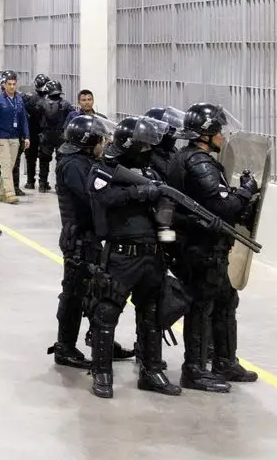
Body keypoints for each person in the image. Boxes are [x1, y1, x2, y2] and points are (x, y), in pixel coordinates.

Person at [86, 117, 181, 399]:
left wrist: (170, 246)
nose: (148, 149)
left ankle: (151, 370)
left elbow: (167, 210)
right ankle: (102, 372)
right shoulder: (106, 168)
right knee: (106, 313)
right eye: (144, 145)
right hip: (121, 255)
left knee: (153, 315)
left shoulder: (150, 169)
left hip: (152, 255)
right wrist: (139, 192)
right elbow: (101, 195)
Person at [172, 103, 261, 391]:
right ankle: (195, 369)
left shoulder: (184, 158)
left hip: (202, 247)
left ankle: (224, 361)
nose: (222, 136)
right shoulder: (199, 163)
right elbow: (223, 206)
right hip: (201, 250)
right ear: (206, 133)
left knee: (225, 301)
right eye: (218, 131)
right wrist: (246, 192)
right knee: (201, 307)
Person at [48, 112, 114, 369]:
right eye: (100, 140)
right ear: (88, 141)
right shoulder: (75, 165)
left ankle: (94, 337)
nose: (103, 144)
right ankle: (65, 347)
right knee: (74, 294)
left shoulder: (82, 160)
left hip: (87, 236)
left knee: (92, 292)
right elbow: (92, 196)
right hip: (79, 239)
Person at [0, 76, 30, 205]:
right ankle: (10, 194)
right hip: (1, 137)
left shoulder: (19, 99)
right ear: (4, 85)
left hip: (15, 138)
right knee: (5, 165)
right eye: (9, 84)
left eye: (14, 84)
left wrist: (26, 136)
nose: (12, 86)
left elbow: (23, 120)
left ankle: (1, 194)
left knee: (9, 167)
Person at [25, 76, 70, 192]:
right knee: (60, 161)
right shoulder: (66, 104)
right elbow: (71, 118)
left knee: (43, 161)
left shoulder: (40, 103)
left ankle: (42, 184)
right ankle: (59, 185)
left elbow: (35, 116)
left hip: (45, 135)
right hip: (60, 136)